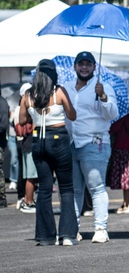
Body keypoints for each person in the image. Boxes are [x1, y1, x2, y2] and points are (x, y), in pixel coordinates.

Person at [19, 59, 78, 245]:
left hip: (39, 141)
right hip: (59, 139)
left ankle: (45, 237)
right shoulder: (58, 91)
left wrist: (33, 111)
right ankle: (67, 235)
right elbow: (72, 115)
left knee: (44, 189)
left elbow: (22, 120)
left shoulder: (28, 95)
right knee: (66, 188)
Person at [66, 51, 119, 244]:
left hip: (94, 143)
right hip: (72, 143)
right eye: (81, 64)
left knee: (96, 187)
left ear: (94, 67)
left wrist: (103, 96)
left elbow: (112, 114)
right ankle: (73, 229)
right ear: (75, 66)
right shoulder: (66, 88)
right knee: (74, 190)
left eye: (88, 64)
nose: (85, 67)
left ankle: (100, 228)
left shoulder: (104, 87)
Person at [13, 83, 37, 213]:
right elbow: (21, 126)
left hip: (24, 142)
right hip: (26, 141)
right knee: (30, 175)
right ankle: (27, 201)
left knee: (27, 174)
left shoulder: (20, 107)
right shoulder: (23, 108)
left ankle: (25, 199)